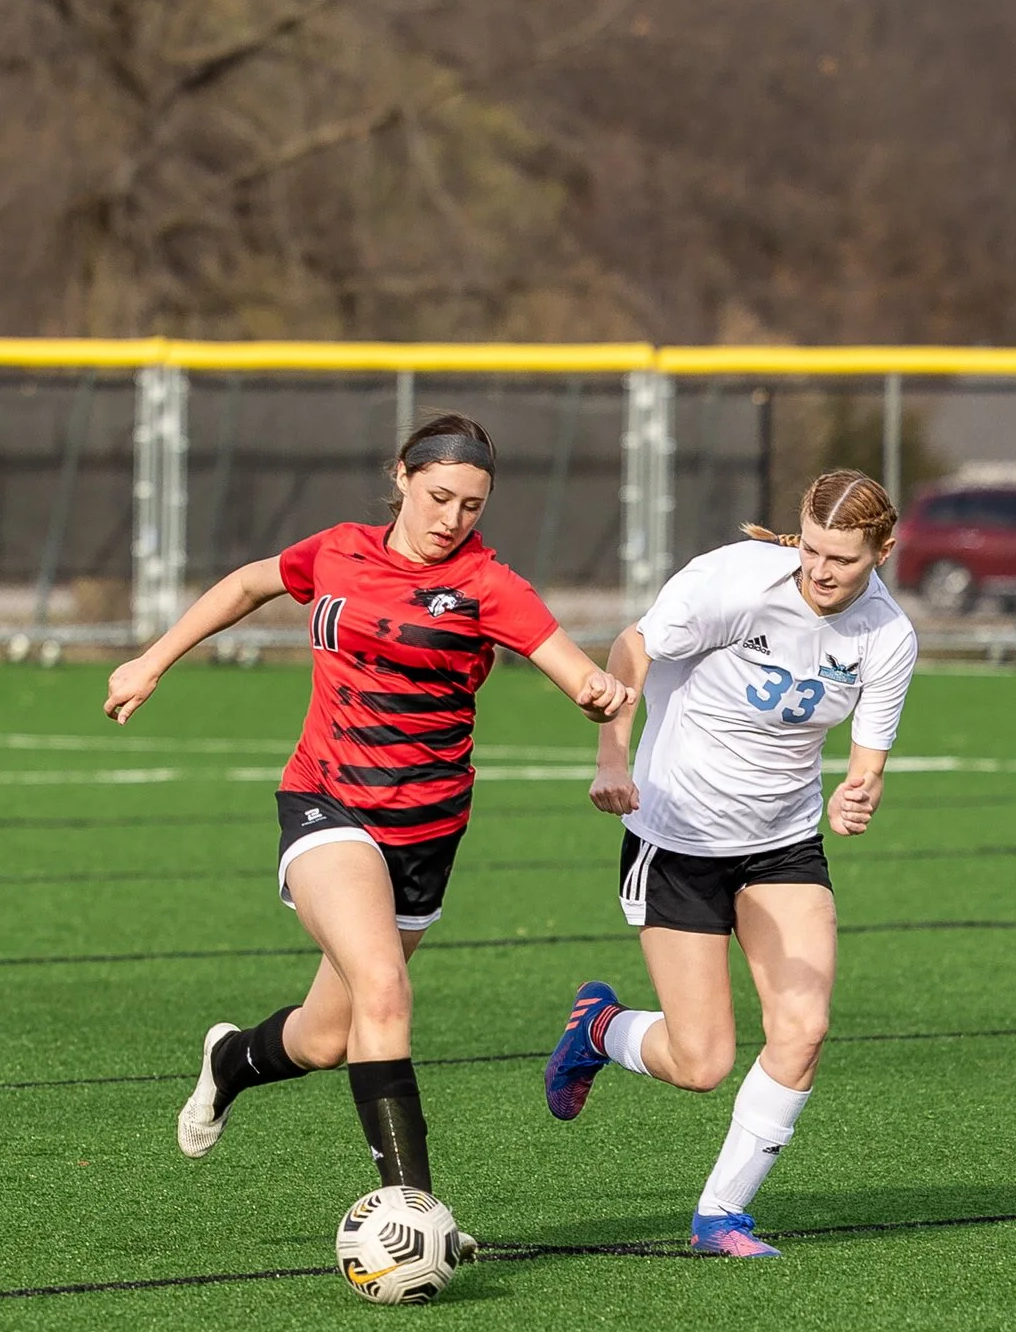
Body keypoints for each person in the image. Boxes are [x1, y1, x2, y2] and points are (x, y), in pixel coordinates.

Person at [103, 413, 632, 1208]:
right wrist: (153, 660)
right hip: (326, 801)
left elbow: (573, 670)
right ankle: (412, 1214)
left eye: (472, 506)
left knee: (324, 1036)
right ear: (402, 479)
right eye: (440, 496)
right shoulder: (339, 550)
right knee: (383, 990)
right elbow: (248, 584)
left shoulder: (491, 584)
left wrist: (596, 694)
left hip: (426, 830)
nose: (452, 520)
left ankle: (230, 1061)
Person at [541, 468, 919, 1258]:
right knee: (701, 1060)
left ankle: (722, 1216)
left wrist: (858, 795)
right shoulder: (731, 583)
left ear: (883, 551)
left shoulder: (888, 636)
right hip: (675, 838)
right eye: (813, 550)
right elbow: (631, 650)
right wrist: (613, 759)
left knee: (804, 1026)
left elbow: (865, 765)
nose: (820, 570)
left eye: (843, 560)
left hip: (781, 843)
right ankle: (599, 1027)